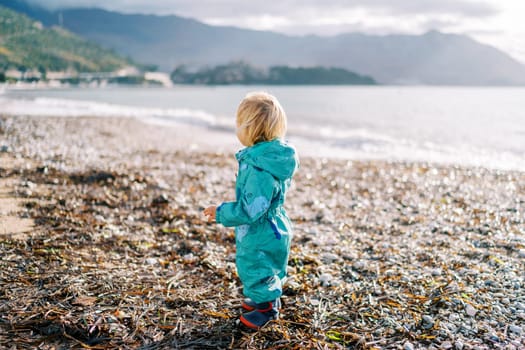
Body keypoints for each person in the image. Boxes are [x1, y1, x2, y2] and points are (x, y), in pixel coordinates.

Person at [203, 91, 299, 330]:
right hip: (274, 224)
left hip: (261, 229)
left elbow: (251, 209)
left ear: (249, 128)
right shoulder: (272, 158)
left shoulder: (258, 167)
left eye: (238, 124)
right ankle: (263, 299)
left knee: (255, 264)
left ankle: (267, 308)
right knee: (266, 264)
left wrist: (221, 212)